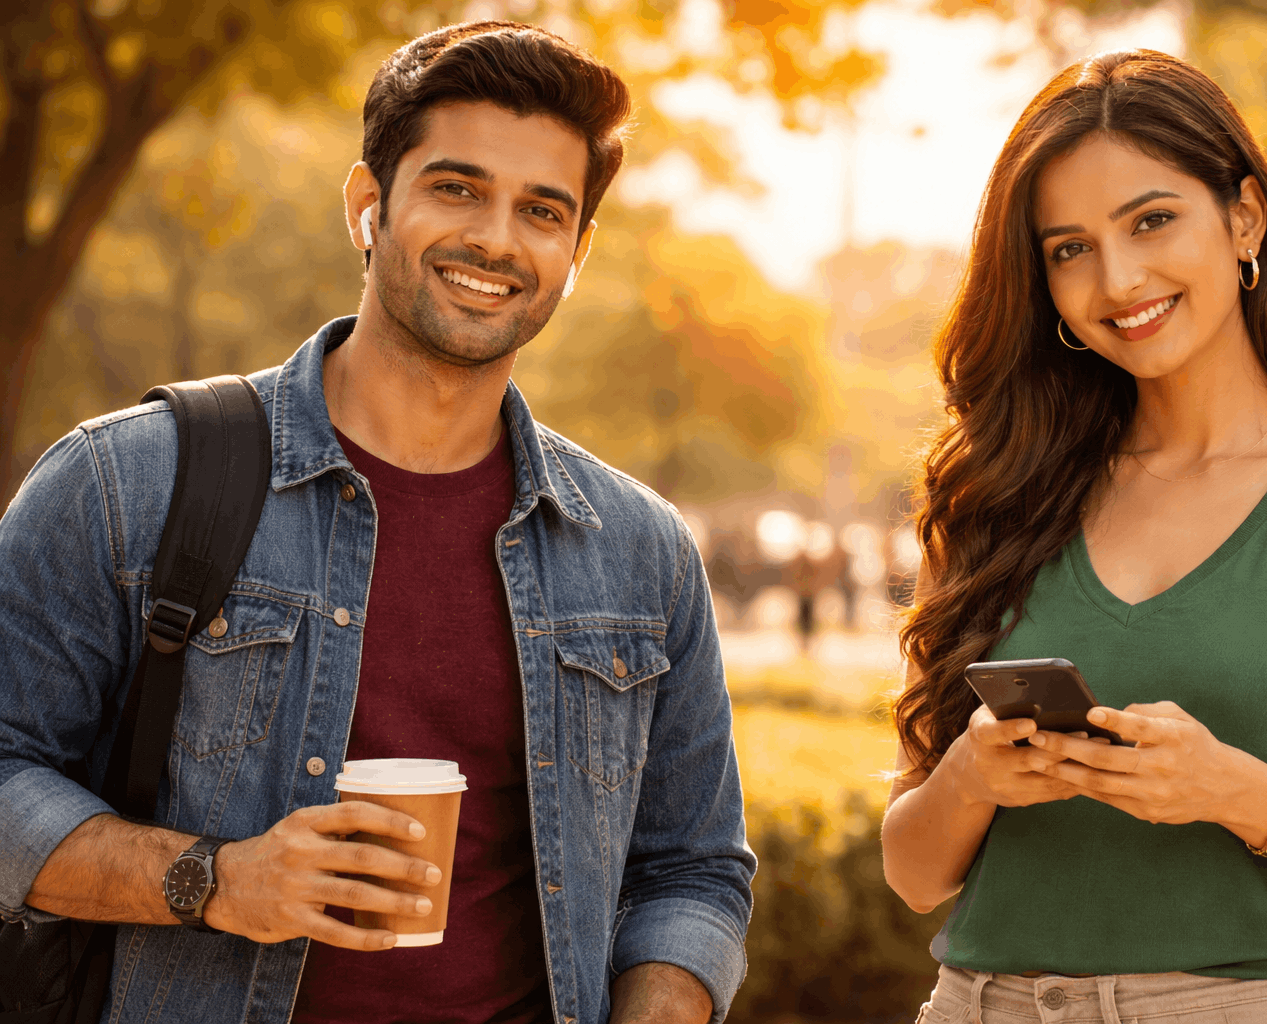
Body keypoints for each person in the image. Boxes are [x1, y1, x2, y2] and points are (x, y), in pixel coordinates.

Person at [0, 21, 753, 1024]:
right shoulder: (124, 481)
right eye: (457, 188)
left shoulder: (641, 551)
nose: (496, 239)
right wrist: (216, 880)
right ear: (368, 205)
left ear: (576, 253)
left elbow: (693, 869)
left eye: (541, 210)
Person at [881, 50, 1267, 1024]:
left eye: (1151, 220)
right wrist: (971, 774)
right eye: (1069, 249)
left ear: (1244, 218)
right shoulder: (1002, 494)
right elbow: (914, 873)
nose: (1118, 278)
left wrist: (1235, 792)